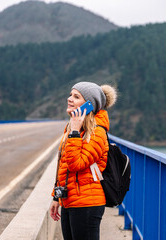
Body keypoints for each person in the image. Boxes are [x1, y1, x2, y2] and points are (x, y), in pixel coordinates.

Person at [49, 81, 117, 240]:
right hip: (70, 200)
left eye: (76, 96)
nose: (69, 99)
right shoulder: (73, 128)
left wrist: (73, 132)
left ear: (88, 105)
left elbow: (75, 164)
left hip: (87, 203)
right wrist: (56, 197)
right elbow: (63, 166)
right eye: (70, 94)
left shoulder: (96, 132)